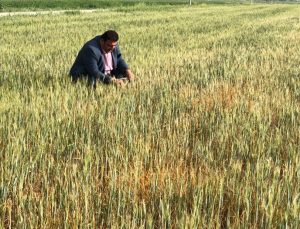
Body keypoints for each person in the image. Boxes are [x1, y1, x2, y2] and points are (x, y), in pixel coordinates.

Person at [69, 30, 134, 88]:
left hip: (105, 73)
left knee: (123, 76)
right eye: (109, 46)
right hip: (86, 75)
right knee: (94, 82)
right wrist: (111, 80)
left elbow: (119, 59)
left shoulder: (113, 44)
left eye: (114, 46)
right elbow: (94, 71)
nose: (111, 49)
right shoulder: (91, 49)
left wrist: (127, 70)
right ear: (102, 41)